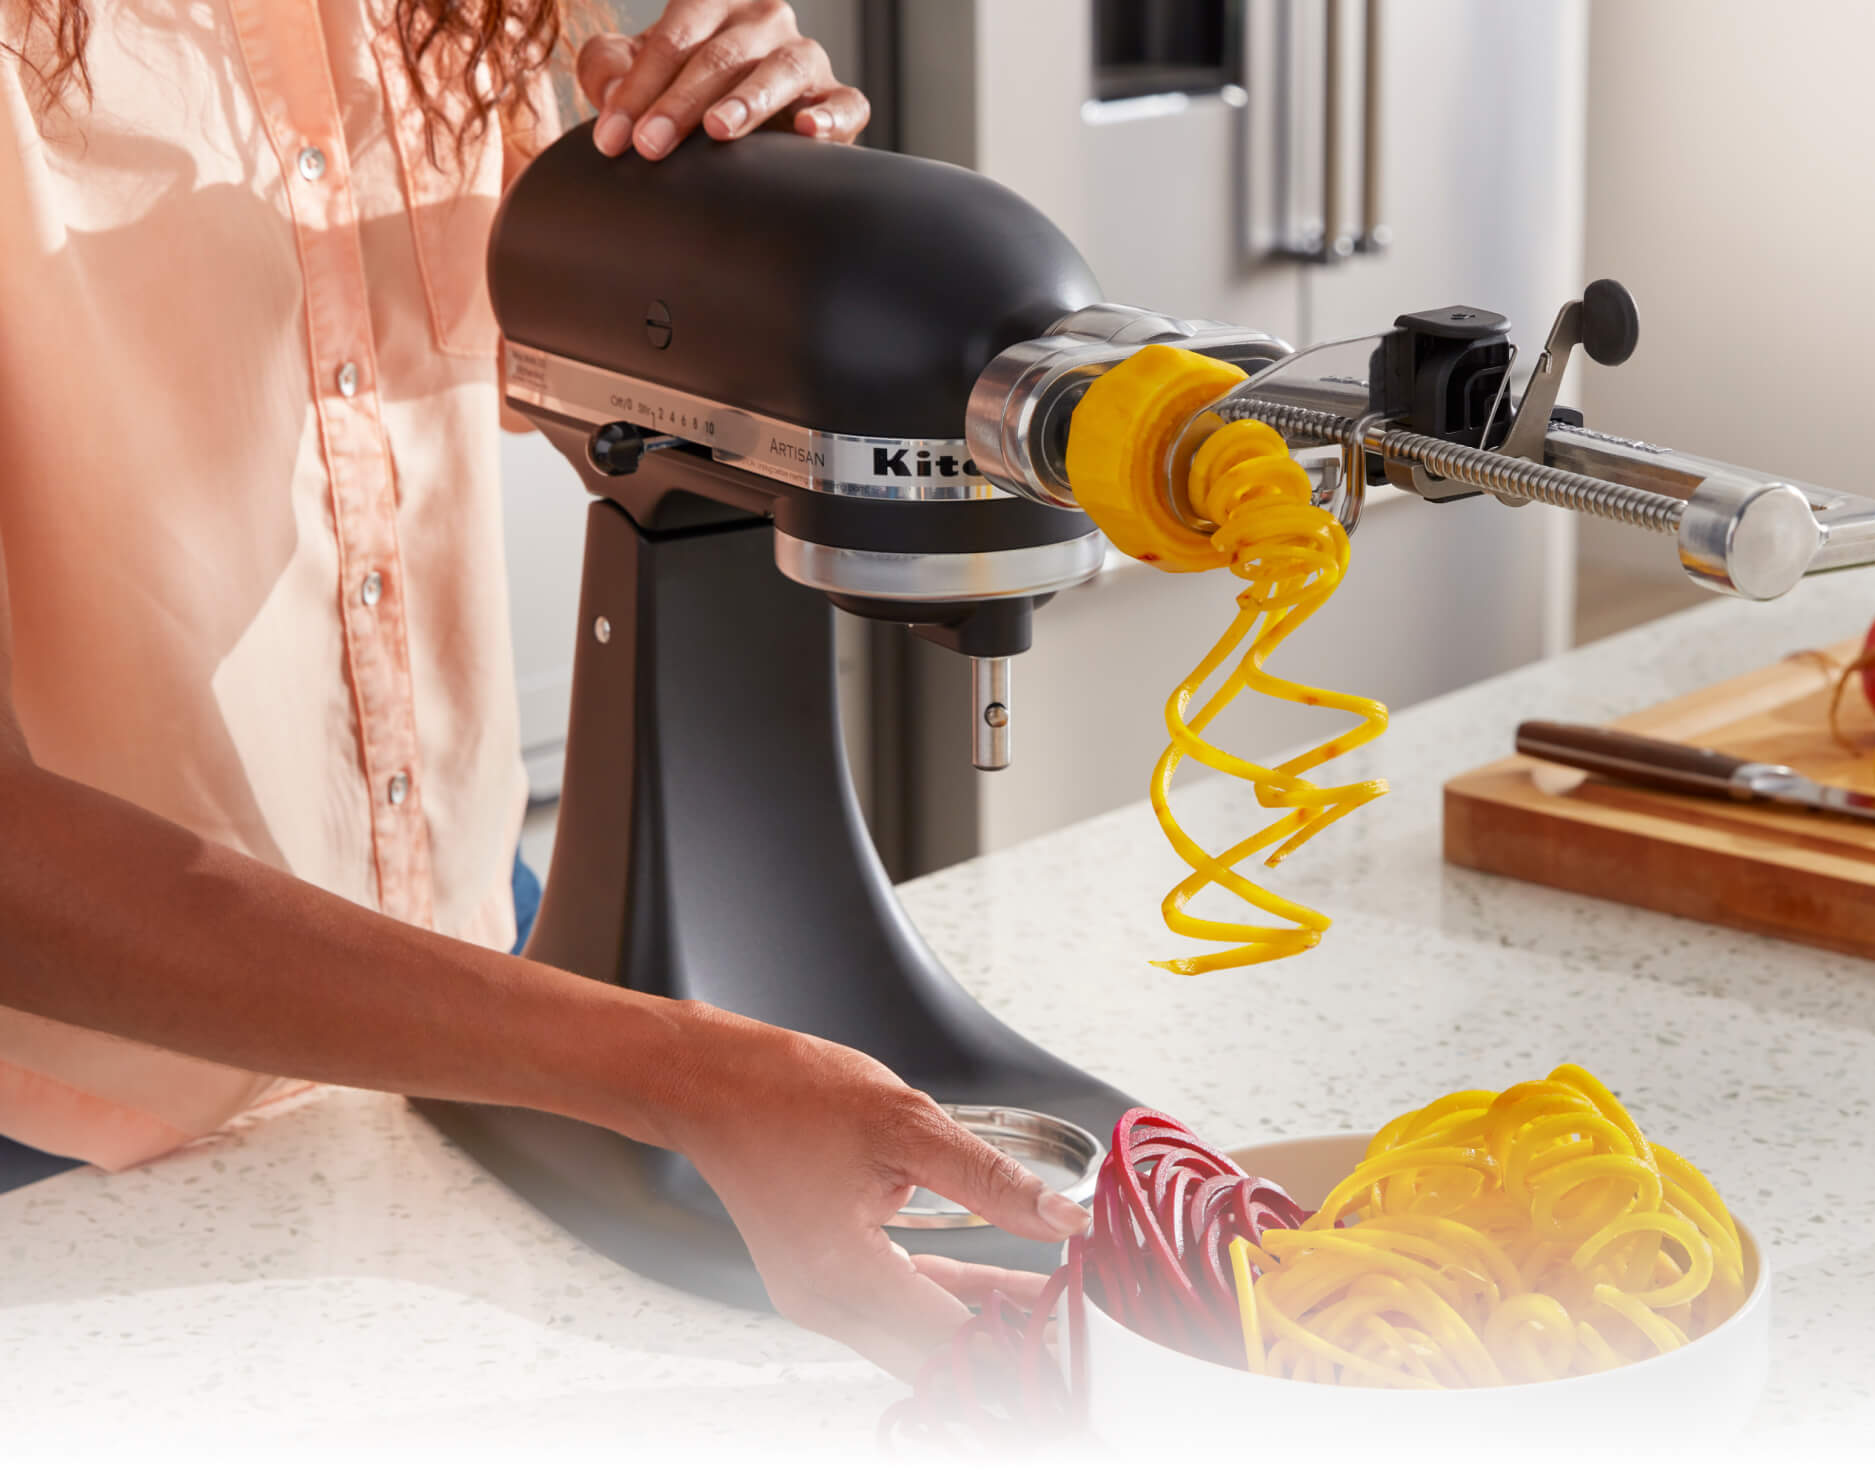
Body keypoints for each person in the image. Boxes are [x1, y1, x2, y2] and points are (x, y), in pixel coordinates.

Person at [0, 0, 1077, 1381]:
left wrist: (744, 198)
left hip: (485, 1002)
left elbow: (582, 341)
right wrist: (674, 1074)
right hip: (79, 1159)